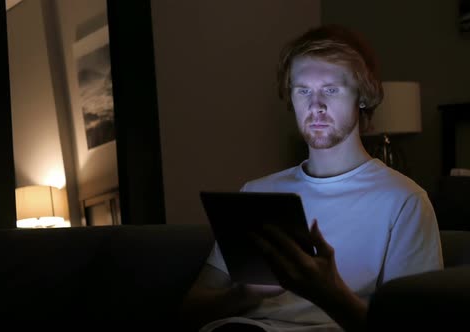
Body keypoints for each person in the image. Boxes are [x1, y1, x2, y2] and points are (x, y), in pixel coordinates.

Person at [182, 24, 444, 332]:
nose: (316, 106)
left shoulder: (403, 200)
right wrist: (245, 294)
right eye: (303, 91)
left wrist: (328, 291)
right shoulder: (257, 193)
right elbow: (189, 312)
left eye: (331, 90)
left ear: (361, 96)